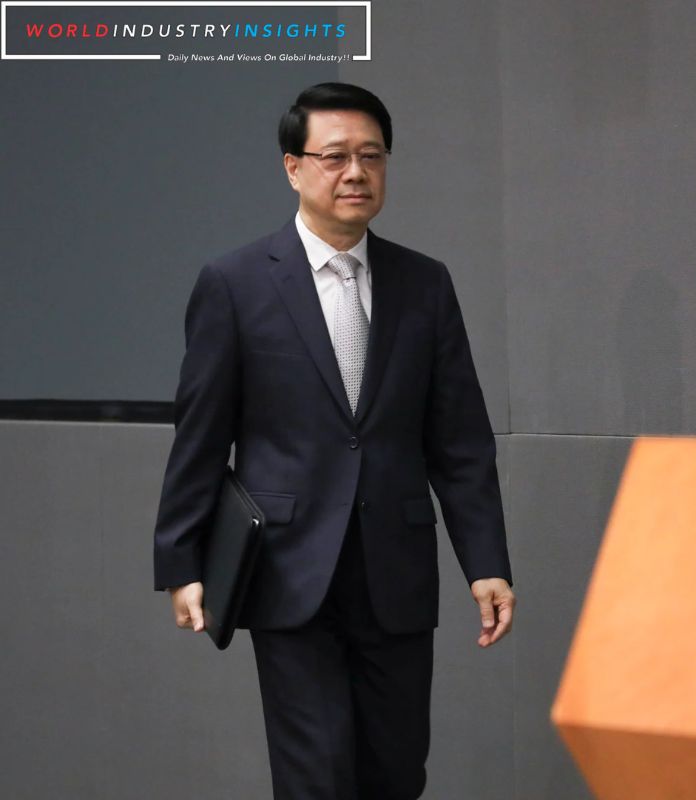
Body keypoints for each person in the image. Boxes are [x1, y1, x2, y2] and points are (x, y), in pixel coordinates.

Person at [152, 82, 515, 799]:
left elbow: (460, 441)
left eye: (372, 157)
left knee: (394, 772)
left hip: (397, 571)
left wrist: (486, 562)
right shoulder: (235, 283)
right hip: (288, 571)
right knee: (316, 777)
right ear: (293, 167)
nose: (356, 173)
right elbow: (201, 433)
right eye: (336, 156)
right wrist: (181, 560)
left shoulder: (425, 284)